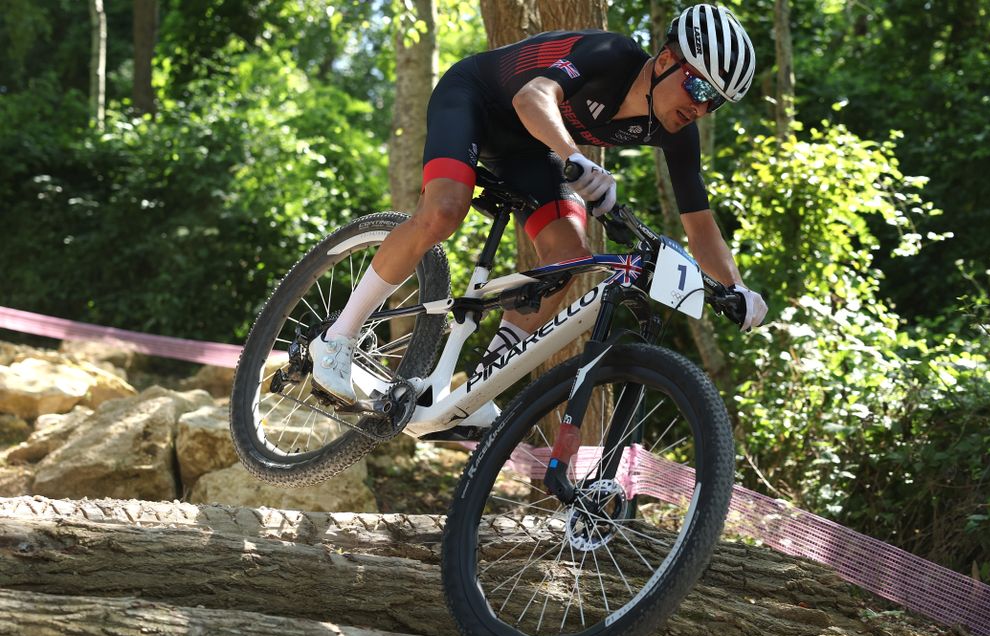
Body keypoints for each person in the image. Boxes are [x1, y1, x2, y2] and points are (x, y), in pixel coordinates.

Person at [311, 3, 769, 404]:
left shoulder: (677, 131)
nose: (702, 108)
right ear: (667, 59)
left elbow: (701, 225)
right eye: (701, 89)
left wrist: (737, 287)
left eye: (717, 103)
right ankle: (337, 338)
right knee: (445, 209)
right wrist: (575, 159)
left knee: (568, 260)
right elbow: (533, 97)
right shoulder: (612, 56)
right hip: (476, 102)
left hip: (528, 150)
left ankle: (479, 387)